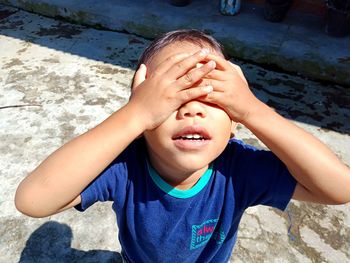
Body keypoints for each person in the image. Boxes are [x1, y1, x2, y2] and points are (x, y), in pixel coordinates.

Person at [15, 29, 350, 262]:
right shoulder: (124, 168)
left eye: (211, 96)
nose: (192, 107)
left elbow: (339, 187)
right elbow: (33, 199)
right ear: (143, 122)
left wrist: (253, 109)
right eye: (169, 99)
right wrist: (134, 115)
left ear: (233, 123)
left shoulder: (240, 170)